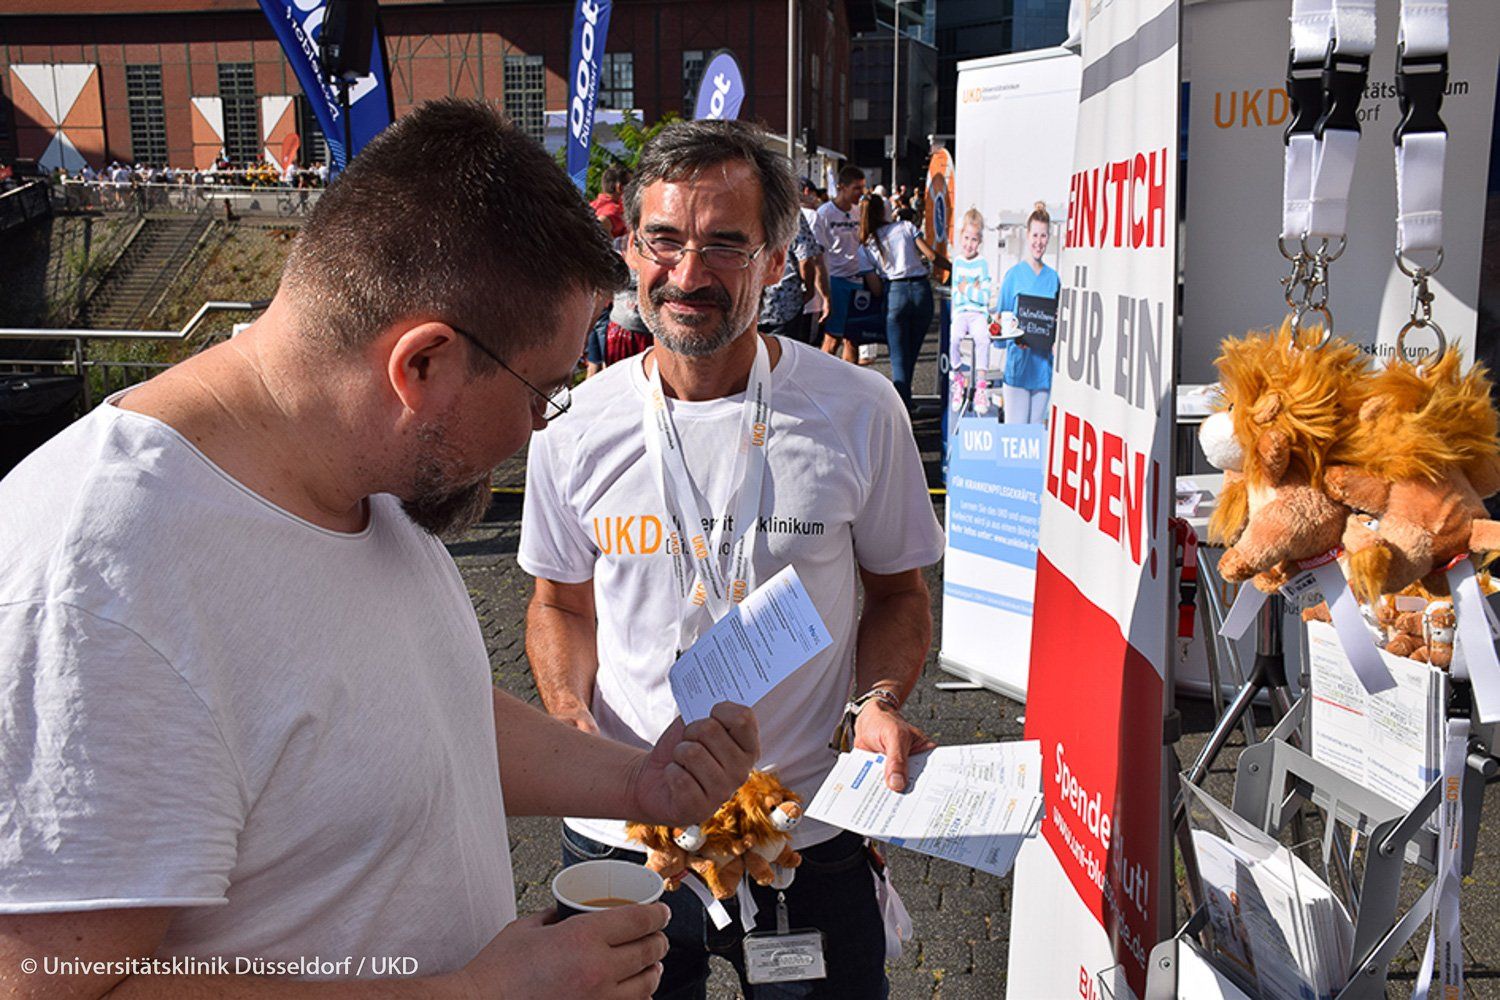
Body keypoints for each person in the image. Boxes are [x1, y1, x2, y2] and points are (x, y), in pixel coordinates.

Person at [0, 99, 762, 1000]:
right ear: (422, 365)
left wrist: (641, 783)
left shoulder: (363, 473)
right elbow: (54, 986)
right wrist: (476, 994)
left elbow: (425, 713)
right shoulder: (93, 590)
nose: (538, 429)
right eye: (541, 394)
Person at [519, 119, 944, 1000]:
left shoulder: (859, 411)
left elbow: (899, 594)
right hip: (624, 827)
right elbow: (559, 603)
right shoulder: (573, 428)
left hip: (803, 828)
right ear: (630, 250)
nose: (688, 274)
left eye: (724, 244)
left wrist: (876, 700)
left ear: (777, 259)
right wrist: (566, 716)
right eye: (664, 240)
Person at [860, 192, 938, 410]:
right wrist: (952, 268)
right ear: (884, 210)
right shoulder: (905, 227)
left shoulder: (866, 244)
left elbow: (876, 288)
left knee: (898, 359)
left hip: (894, 292)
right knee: (912, 353)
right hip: (921, 290)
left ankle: (902, 408)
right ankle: (906, 403)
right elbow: (931, 256)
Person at [998, 202, 1060, 425]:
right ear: (1027, 235)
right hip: (1018, 369)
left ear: (1048, 238)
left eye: (1043, 236)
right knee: (1014, 435)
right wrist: (1011, 336)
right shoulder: (1013, 276)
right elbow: (1000, 321)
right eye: (1035, 235)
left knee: (1035, 437)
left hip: (1043, 371)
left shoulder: (1054, 279)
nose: (1039, 242)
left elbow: (1057, 323)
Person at [811, 165, 868, 363]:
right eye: (856, 188)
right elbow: (817, 253)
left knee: (853, 339)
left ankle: (850, 380)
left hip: (858, 279)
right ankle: (823, 378)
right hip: (836, 280)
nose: (861, 193)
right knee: (833, 338)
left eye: (862, 187)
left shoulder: (859, 211)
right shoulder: (824, 213)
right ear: (842, 187)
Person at [948, 208, 995, 417]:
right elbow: (956, 295)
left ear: (980, 241)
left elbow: (984, 297)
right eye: (966, 238)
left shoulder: (982, 264)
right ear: (961, 237)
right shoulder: (958, 262)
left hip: (977, 313)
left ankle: (981, 385)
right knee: (954, 338)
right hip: (961, 312)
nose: (969, 244)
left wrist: (966, 289)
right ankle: (958, 376)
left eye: (974, 239)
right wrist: (971, 290)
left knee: (983, 338)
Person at [757, 205, 823, 344]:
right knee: (784, 353)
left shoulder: (746, 205)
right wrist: (809, 288)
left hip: (751, 302)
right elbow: (805, 258)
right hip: (783, 303)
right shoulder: (790, 212)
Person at [592, 164, 631, 241]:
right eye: (632, 186)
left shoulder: (593, 205)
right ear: (620, 187)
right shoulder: (615, 212)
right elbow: (602, 221)